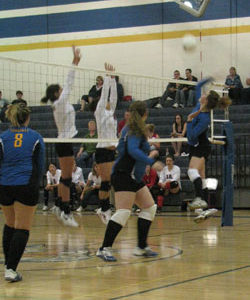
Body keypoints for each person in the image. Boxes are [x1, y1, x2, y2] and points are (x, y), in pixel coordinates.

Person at [96, 101, 158, 262]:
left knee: (149, 207)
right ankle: (104, 248)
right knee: (123, 212)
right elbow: (132, 150)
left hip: (132, 176)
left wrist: (149, 153)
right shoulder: (133, 130)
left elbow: (135, 149)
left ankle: (141, 246)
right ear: (145, 114)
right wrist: (151, 161)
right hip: (123, 173)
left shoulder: (131, 129)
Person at [0, 103, 45, 282]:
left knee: (10, 224)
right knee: (22, 227)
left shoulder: (3, 137)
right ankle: (11, 269)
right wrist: (35, 185)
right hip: (25, 183)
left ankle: (7, 264)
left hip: (4, 184)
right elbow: (40, 164)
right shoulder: (35, 137)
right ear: (27, 118)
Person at [40, 46, 81, 227]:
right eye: (60, 89)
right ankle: (65, 211)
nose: (63, 89)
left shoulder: (60, 103)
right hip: (64, 141)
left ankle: (60, 207)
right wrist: (75, 62)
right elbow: (69, 81)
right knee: (66, 177)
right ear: (57, 93)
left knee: (66, 177)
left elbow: (68, 84)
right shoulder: (61, 102)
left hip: (65, 140)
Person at [186, 77, 231, 222]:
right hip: (195, 146)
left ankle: (200, 199)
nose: (202, 94)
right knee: (202, 176)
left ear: (206, 100)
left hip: (201, 145)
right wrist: (210, 78)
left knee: (192, 171)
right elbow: (198, 85)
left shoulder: (205, 118)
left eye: (205, 94)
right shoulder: (200, 104)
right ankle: (207, 208)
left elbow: (192, 136)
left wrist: (189, 120)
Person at [94, 63, 118, 225]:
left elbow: (114, 97)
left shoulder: (111, 113)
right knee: (106, 182)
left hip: (111, 150)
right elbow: (104, 96)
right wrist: (107, 77)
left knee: (108, 182)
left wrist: (113, 78)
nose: (109, 102)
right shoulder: (99, 113)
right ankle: (104, 209)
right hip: (102, 150)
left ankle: (104, 209)